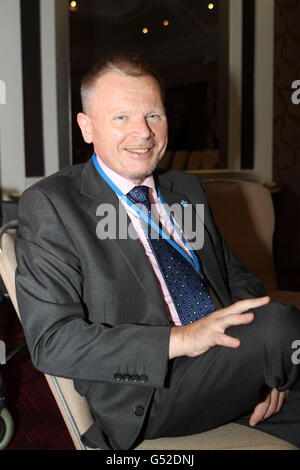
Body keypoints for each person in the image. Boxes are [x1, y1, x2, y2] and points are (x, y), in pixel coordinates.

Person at [15, 55, 300, 450]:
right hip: (149, 392)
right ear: (87, 127)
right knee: (281, 326)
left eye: (154, 115)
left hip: (227, 360)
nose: (143, 133)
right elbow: (53, 342)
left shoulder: (187, 189)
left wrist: (272, 367)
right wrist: (182, 339)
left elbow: (235, 277)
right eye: (121, 118)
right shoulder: (52, 205)